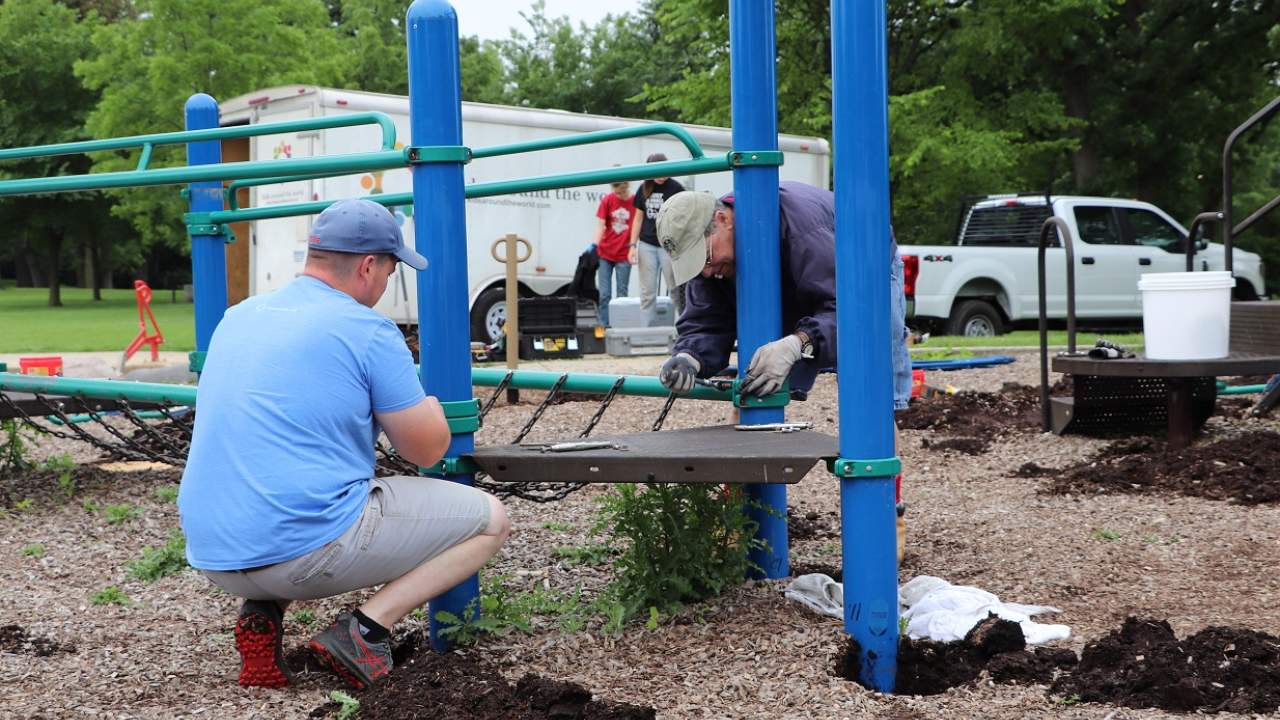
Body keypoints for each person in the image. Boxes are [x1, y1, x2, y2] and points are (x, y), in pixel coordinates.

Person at [178, 198, 510, 691]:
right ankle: (365, 630)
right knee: (490, 521)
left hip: (214, 549)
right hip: (299, 552)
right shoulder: (367, 329)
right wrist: (436, 410)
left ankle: (262, 614)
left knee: (284, 473)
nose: (386, 284)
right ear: (369, 265)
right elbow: (426, 451)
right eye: (392, 269)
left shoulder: (239, 316)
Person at [653, 183, 911, 556]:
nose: (706, 272)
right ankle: (739, 518)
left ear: (722, 220)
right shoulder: (712, 257)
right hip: (806, 276)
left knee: (869, 394)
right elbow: (705, 321)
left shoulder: (803, 230)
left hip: (861, 270)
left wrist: (797, 342)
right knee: (752, 385)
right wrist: (689, 357)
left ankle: (888, 517)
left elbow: (851, 309)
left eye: (705, 258)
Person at [628, 153, 686, 323]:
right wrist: (632, 245)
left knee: (675, 288)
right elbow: (638, 218)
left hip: (668, 244)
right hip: (647, 244)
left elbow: (683, 217)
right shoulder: (643, 188)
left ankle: (682, 328)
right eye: (657, 173)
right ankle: (646, 331)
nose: (661, 177)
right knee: (647, 292)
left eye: (664, 172)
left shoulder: (676, 188)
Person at [594, 179, 636, 326]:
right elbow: (600, 225)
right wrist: (595, 245)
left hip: (624, 254)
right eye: (616, 192)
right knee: (604, 294)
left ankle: (620, 325)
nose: (619, 195)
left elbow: (637, 226)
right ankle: (605, 325)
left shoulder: (635, 202)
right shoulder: (608, 200)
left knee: (621, 293)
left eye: (622, 192)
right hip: (605, 252)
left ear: (627, 188)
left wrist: (634, 246)